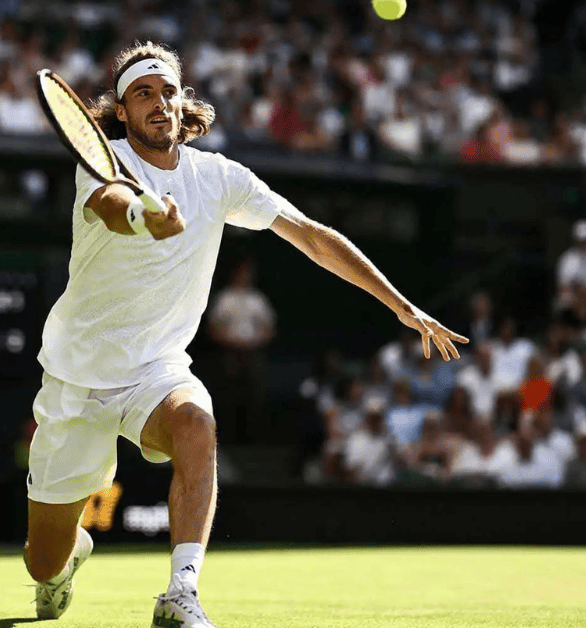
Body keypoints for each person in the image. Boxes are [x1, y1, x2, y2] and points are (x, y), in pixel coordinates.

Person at [24, 42, 468, 628]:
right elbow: (111, 203)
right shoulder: (100, 163)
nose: (159, 104)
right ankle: (65, 562)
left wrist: (401, 305)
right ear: (124, 112)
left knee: (195, 421)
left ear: (184, 104)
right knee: (42, 561)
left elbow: (309, 235)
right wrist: (145, 215)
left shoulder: (220, 177)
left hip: (155, 371)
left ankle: (181, 592)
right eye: (142, 94)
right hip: (76, 378)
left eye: (167, 92)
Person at [206, 257, 275, 443]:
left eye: (249, 273)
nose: (247, 276)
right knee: (227, 394)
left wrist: (254, 342)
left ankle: (254, 437)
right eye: (243, 272)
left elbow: (268, 328)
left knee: (255, 394)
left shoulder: (257, 299)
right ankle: (227, 437)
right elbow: (213, 328)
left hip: (253, 352)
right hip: (230, 352)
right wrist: (231, 342)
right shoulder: (225, 298)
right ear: (235, 274)